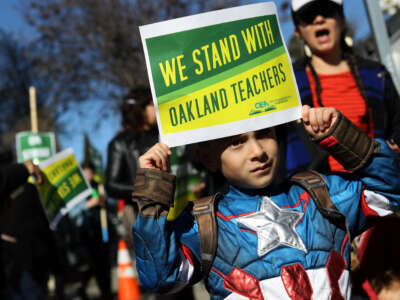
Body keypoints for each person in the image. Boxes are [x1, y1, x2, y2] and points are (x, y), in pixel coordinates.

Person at [131, 105, 400, 299]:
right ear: (208, 158)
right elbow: (159, 277)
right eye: (237, 142)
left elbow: (391, 192)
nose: (257, 151)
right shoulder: (203, 224)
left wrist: (345, 138)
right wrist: (152, 197)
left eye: (264, 134)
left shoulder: (322, 193)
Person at [283, 0, 400, 176]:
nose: (319, 19)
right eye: (308, 16)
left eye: (327, 11)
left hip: (377, 188)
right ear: (297, 31)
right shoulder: (288, 84)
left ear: (342, 19)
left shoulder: (376, 74)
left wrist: (392, 148)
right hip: (319, 196)